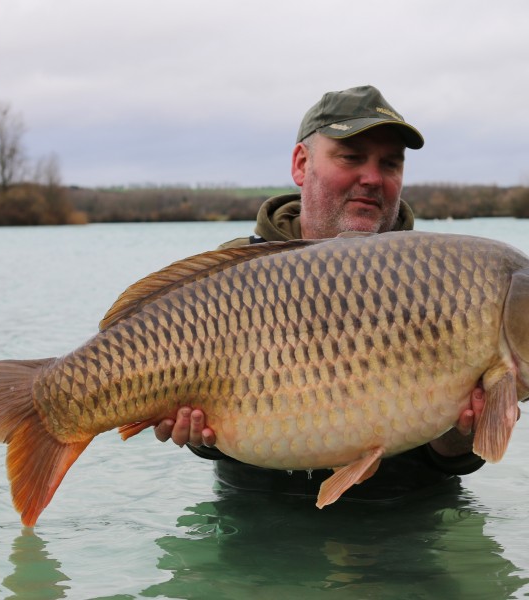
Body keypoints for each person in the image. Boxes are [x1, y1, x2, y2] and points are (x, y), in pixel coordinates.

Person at [155, 85, 495, 501]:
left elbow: (456, 456)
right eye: (351, 157)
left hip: (407, 521)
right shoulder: (230, 274)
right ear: (302, 164)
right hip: (256, 522)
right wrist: (196, 434)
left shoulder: (447, 280)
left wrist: (462, 433)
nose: (372, 178)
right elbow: (204, 432)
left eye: (390, 164)